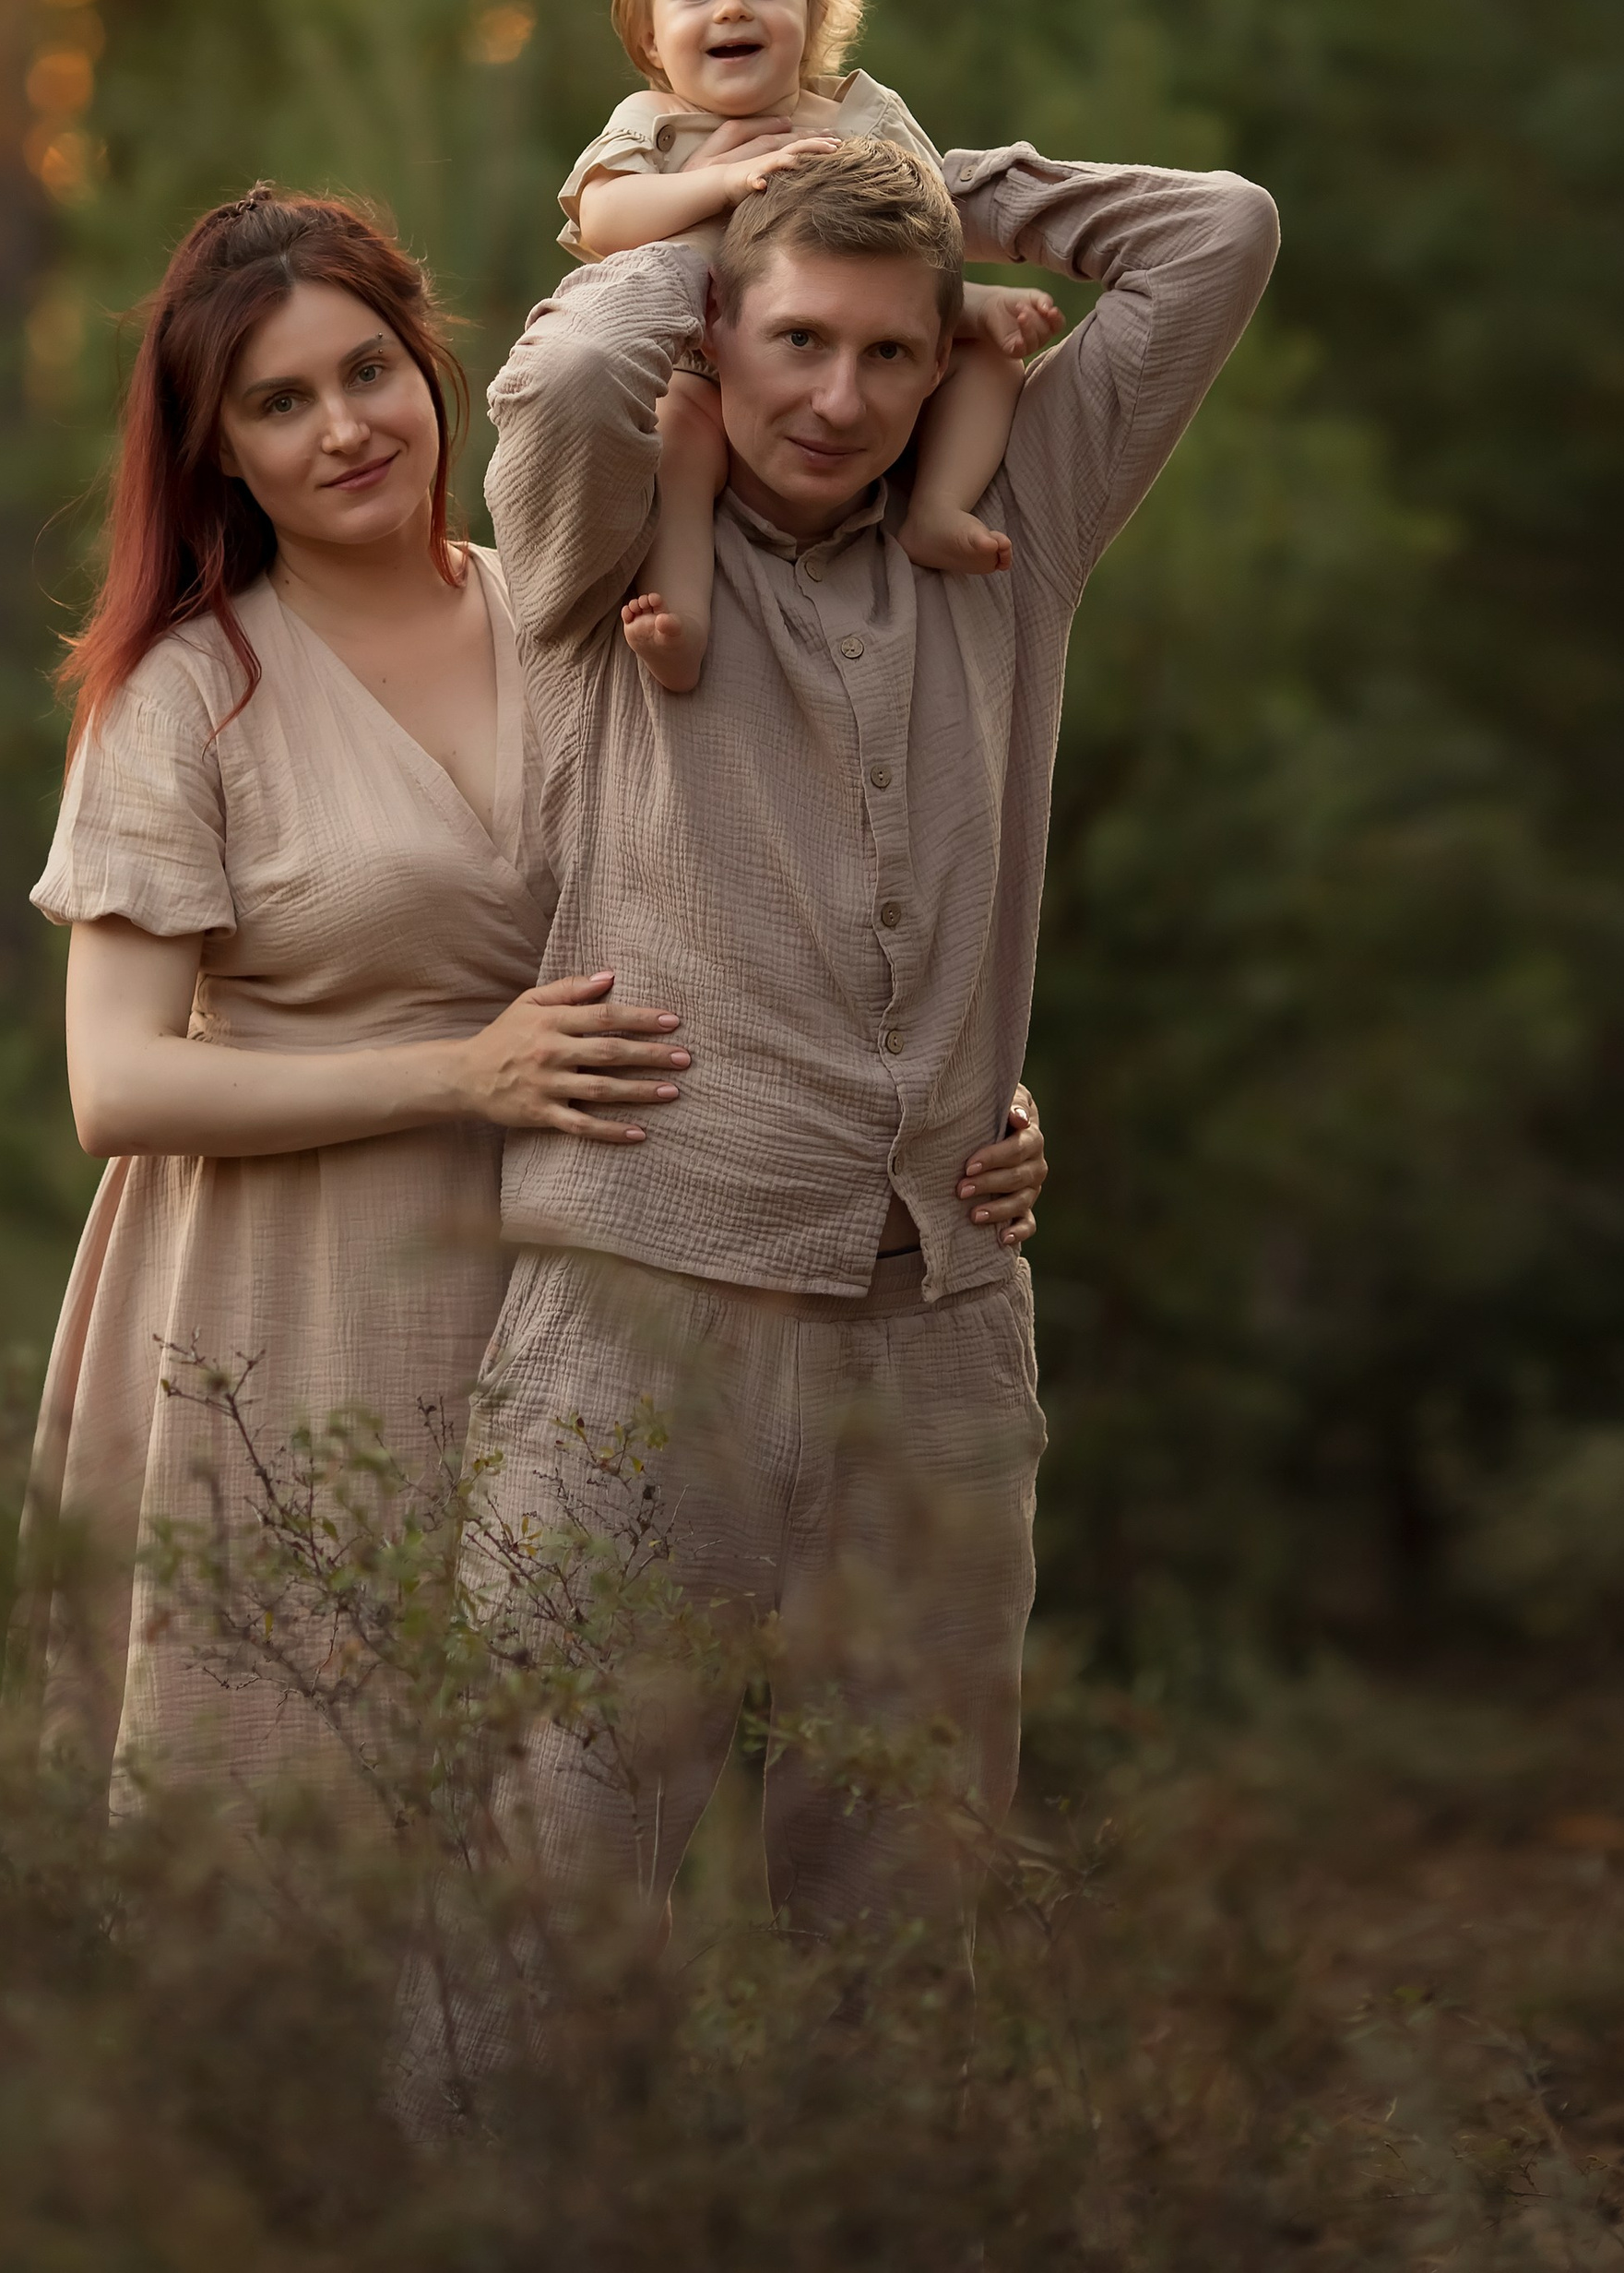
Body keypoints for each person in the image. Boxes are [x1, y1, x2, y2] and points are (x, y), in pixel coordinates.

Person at [20, 184, 1050, 1810]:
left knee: (558, 1833)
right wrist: (464, 1073)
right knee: (309, 1794)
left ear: (431, 371)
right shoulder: (186, 692)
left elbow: (803, 887)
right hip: (302, 1293)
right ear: (218, 449)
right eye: (279, 402)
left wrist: (954, 1099)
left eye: (369, 371)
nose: (345, 429)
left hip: (612, 1282)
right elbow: (118, 1085)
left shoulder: (582, 601)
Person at [476, 128, 1278, 1958]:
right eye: (796, 340)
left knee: (906, 1929)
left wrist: (907, 172)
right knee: (546, 1917)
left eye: (889, 350)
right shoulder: (607, 546)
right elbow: (581, 369)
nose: (838, 400)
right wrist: (720, 196)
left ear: (947, 359)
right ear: (715, 331)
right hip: (635, 1309)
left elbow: (1215, 231)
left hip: (939, 1321)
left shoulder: (1009, 526)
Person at [559, 0, 1061, 693]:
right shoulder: (657, 124)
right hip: (700, 370)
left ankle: (939, 506)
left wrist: (969, 290)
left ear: (816, 15)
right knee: (678, 444)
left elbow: (923, 240)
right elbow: (605, 218)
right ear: (649, 40)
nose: (731, 8)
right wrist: (719, 183)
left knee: (990, 359)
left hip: (851, 347)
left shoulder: (858, 117)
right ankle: (683, 620)